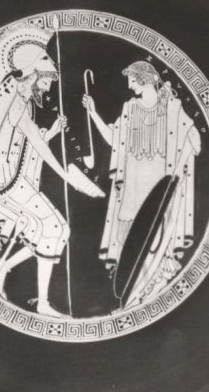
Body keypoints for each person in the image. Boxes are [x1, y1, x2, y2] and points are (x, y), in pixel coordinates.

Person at [0, 23, 102, 317]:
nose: (50, 86)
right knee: (57, 228)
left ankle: (7, 268)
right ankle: (42, 303)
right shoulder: (13, 96)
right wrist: (67, 177)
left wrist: (51, 133)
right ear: (33, 72)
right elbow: (32, 143)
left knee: (39, 227)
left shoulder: (13, 94)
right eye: (48, 79)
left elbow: (17, 140)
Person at [82, 60, 201, 308]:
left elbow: (195, 140)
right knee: (128, 235)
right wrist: (93, 113)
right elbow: (114, 139)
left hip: (158, 183)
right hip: (132, 184)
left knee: (155, 233)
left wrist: (178, 170)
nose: (130, 86)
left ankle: (150, 291)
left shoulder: (172, 108)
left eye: (132, 80)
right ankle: (131, 294)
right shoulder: (130, 108)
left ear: (145, 80)